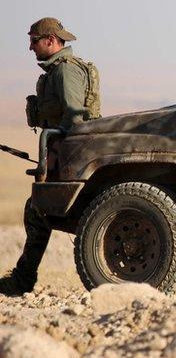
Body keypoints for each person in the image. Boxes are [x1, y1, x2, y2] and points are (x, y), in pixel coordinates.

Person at [0, 18, 100, 296]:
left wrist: (60, 155)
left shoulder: (65, 72)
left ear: (51, 41)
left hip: (74, 154)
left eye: (34, 40)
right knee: (37, 211)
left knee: (38, 211)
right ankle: (22, 278)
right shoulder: (56, 71)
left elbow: (75, 118)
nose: (30, 47)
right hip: (67, 152)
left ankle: (22, 280)